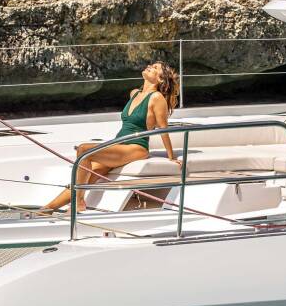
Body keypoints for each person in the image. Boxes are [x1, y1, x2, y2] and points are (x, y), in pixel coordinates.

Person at [40, 61, 181, 214]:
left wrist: (171, 157)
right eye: (151, 65)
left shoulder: (156, 98)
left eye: (155, 68)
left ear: (160, 79)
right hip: (119, 144)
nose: (149, 66)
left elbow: (163, 129)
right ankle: (46, 209)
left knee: (83, 150)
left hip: (136, 147)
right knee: (88, 176)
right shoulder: (134, 93)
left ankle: (79, 202)